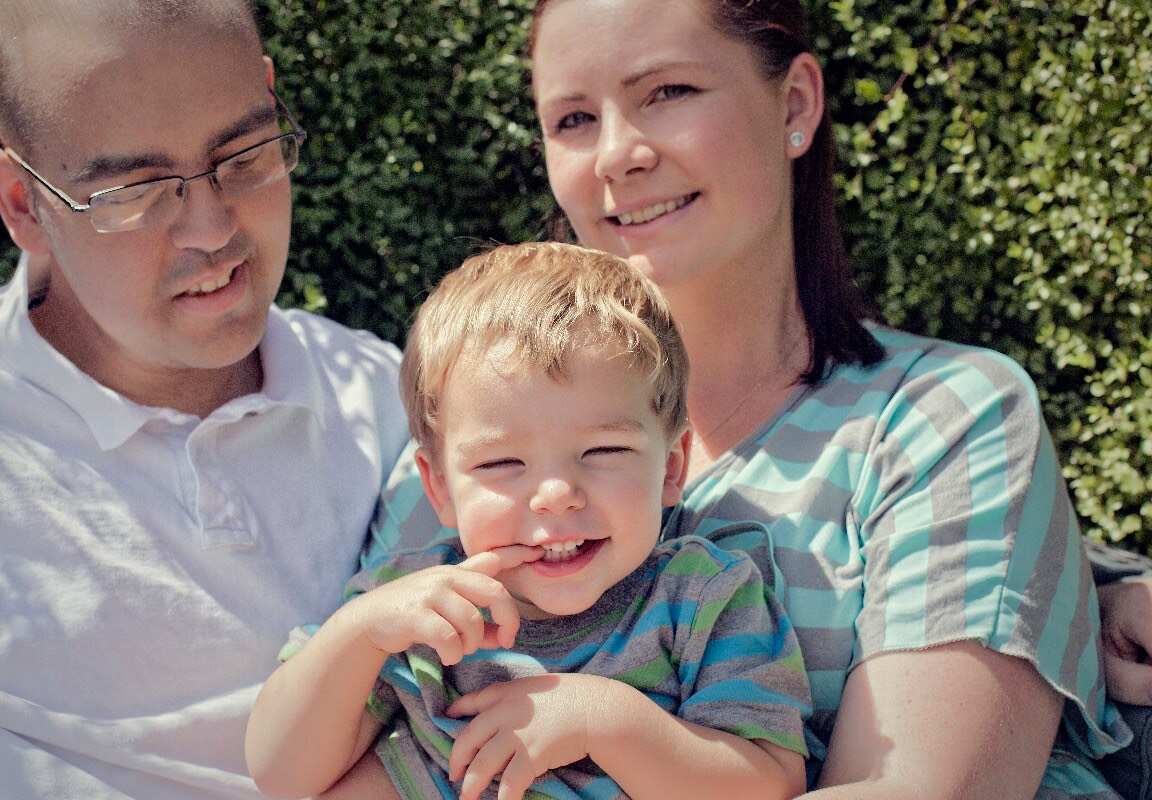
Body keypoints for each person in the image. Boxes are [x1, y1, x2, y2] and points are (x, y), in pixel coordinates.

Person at [362, 0, 1139, 796]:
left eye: (668, 92)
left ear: (794, 104)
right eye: (574, 119)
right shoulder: (460, 451)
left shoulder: (942, 418)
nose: (617, 155)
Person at [0, 1, 408, 797]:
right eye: (134, 190)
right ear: (21, 201)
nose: (211, 228)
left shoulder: (398, 405)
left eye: (244, 154)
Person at [245, 242, 811, 800]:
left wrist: (604, 722)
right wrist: (358, 636)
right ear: (439, 487)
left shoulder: (703, 598)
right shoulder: (411, 611)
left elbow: (772, 783)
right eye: (502, 463)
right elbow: (282, 775)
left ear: (672, 467)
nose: (557, 495)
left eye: (604, 450)